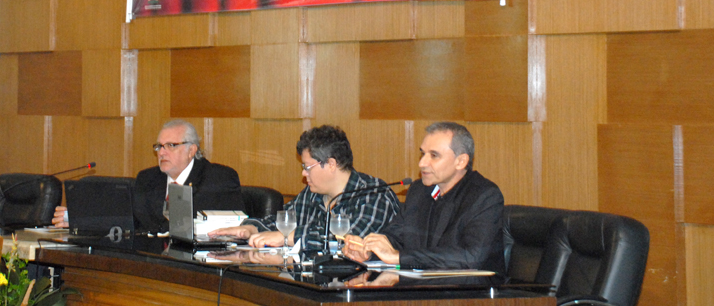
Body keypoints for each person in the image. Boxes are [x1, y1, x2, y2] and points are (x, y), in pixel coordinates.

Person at [342, 122, 505, 272]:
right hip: (422, 287)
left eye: (434, 155)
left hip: (472, 291)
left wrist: (399, 257)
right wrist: (369, 250)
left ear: (460, 161)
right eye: (423, 154)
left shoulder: (484, 196)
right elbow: (395, 238)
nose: (422, 163)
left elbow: (470, 258)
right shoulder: (419, 191)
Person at [209, 125, 400, 251]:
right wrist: (251, 229)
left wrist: (288, 238)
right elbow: (283, 221)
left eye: (307, 167)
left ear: (331, 164)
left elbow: (348, 241)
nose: (303, 173)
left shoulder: (375, 195)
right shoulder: (313, 193)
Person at [52, 120, 245, 232]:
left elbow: (230, 226)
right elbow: (127, 217)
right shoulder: (148, 178)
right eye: (159, 146)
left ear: (191, 150)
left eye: (171, 146)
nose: (162, 152)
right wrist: (79, 218)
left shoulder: (219, 178)